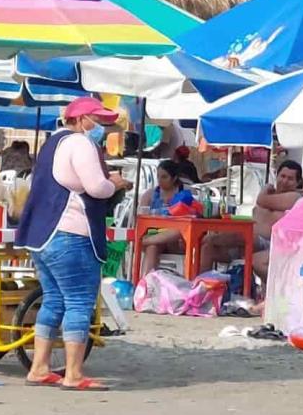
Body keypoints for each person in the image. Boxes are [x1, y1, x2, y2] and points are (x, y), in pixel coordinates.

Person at [15, 97, 131, 391]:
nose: (103, 126)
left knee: (53, 300)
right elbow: (96, 187)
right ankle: (74, 374)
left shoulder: (52, 143)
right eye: (98, 120)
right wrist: (115, 184)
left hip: (43, 237)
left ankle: (39, 367)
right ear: (82, 120)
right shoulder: (81, 144)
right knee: (79, 301)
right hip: (71, 234)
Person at [199, 160, 303, 282]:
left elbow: (261, 200)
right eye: (282, 176)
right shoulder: (270, 194)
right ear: (277, 176)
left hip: (271, 244)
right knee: (208, 248)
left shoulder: (294, 197)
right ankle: (200, 288)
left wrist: (265, 188)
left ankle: (210, 239)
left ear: (297, 183)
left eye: (290, 179)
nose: (284, 181)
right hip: (249, 243)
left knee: (242, 235)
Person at [137, 160, 192, 279]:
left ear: (174, 178)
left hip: (176, 240)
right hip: (154, 233)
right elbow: (140, 216)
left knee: (177, 232)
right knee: (152, 247)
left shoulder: (185, 194)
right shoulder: (150, 195)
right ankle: (146, 284)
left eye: (164, 177)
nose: (160, 180)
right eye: (158, 177)